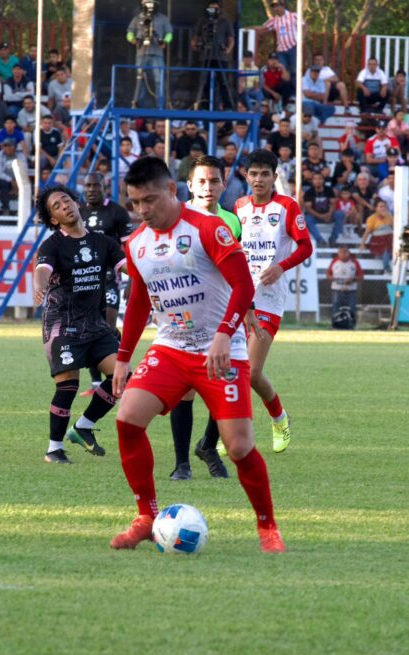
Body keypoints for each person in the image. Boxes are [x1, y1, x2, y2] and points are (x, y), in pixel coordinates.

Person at [109, 156, 286, 554]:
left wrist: (224, 334)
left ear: (172, 191)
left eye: (150, 200)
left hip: (222, 351)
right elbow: (138, 302)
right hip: (171, 348)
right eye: (135, 202)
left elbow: (243, 286)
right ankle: (145, 517)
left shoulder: (208, 228)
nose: (142, 210)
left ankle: (267, 526)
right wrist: (123, 357)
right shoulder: (136, 244)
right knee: (127, 420)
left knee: (239, 448)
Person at [227, 149, 312, 455]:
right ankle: (224, 434)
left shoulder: (287, 206)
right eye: (254, 174)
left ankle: (279, 417)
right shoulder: (239, 207)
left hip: (269, 301)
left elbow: (305, 246)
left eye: (265, 174)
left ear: (274, 176)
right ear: (246, 176)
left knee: (250, 373)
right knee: (230, 371)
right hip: (239, 299)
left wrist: (281, 267)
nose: (259, 179)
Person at [33, 185, 125, 464]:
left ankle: (84, 426)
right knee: (68, 386)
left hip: (96, 325)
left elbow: (128, 267)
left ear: (76, 202)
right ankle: (54, 449)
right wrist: (39, 286)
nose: (64, 206)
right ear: (54, 219)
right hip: (62, 324)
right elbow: (42, 270)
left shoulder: (104, 242)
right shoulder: (52, 245)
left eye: (66, 200)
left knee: (123, 378)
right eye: (57, 206)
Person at [166, 155, 242, 481]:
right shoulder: (176, 217)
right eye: (201, 181)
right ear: (189, 185)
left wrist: (247, 312)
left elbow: (237, 272)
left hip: (222, 315)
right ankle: (181, 463)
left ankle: (208, 446)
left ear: (223, 184)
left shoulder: (232, 221)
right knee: (186, 389)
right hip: (185, 312)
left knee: (223, 385)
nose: (208, 187)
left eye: (214, 181)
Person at [78, 172, 133, 394]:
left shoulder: (117, 212)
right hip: (85, 278)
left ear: (104, 187)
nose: (91, 189)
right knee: (91, 328)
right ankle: (96, 383)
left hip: (110, 277)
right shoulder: (78, 212)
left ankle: (122, 369)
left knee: (107, 327)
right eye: (88, 186)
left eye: (95, 185)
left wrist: (132, 279)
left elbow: (129, 247)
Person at [126, 0, 173, 108]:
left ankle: (160, 105)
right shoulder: (137, 18)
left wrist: (165, 41)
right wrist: (133, 40)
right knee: (140, 79)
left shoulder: (163, 18)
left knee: (159, 79)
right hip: (141, 53)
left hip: (157, 53)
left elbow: (169, 33)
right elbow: (129, 32)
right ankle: (138, 105)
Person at [260, 0, 302, 79]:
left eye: (277, 6)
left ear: (283, 6)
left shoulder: (293, 16)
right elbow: (263, 27)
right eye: (274, 7)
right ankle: (285, 86)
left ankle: (295, 85)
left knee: (295, 69)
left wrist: (302, 39)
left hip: (293, 46)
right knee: (282, 70)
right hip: (281, 49)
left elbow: (304, 25)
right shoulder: (274, 20)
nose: (275, 9)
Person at [326, 245, 363, 327]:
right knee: (336, 308)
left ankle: (351, 325)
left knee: (352, 308)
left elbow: (361, 276)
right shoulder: (334, 261)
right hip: (337, 290)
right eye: (341, 252)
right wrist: (332, 278)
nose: (343, 254)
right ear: (338, 253)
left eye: (345, 252)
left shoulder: (354, 262)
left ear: (349, 253)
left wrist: (353, 279)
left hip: (351, 290)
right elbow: (328, 274)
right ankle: (335, 325)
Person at [360, 199, 393, 272]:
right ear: (376, 208)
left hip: (389, 239)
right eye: (380, 207)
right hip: (378, 240)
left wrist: (387, 217)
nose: (383, 208)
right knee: (385, 251)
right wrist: (362, 243)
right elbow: (367, 232)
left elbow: (394, 228)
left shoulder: (389, 217)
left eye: (384, 206)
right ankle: (387, 268)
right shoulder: (371, 218)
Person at [0, 138, 21, 213]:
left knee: (27, 185)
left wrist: (17, 180)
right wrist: (11, 180)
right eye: (5, 146)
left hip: (18, 179)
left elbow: (24, 169)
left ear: (14, 147)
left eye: (10, 146)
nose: (8, 148)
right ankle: (5, 207)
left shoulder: (20, 155)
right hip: (4, 180)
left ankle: (27, 208)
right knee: (3, 183)